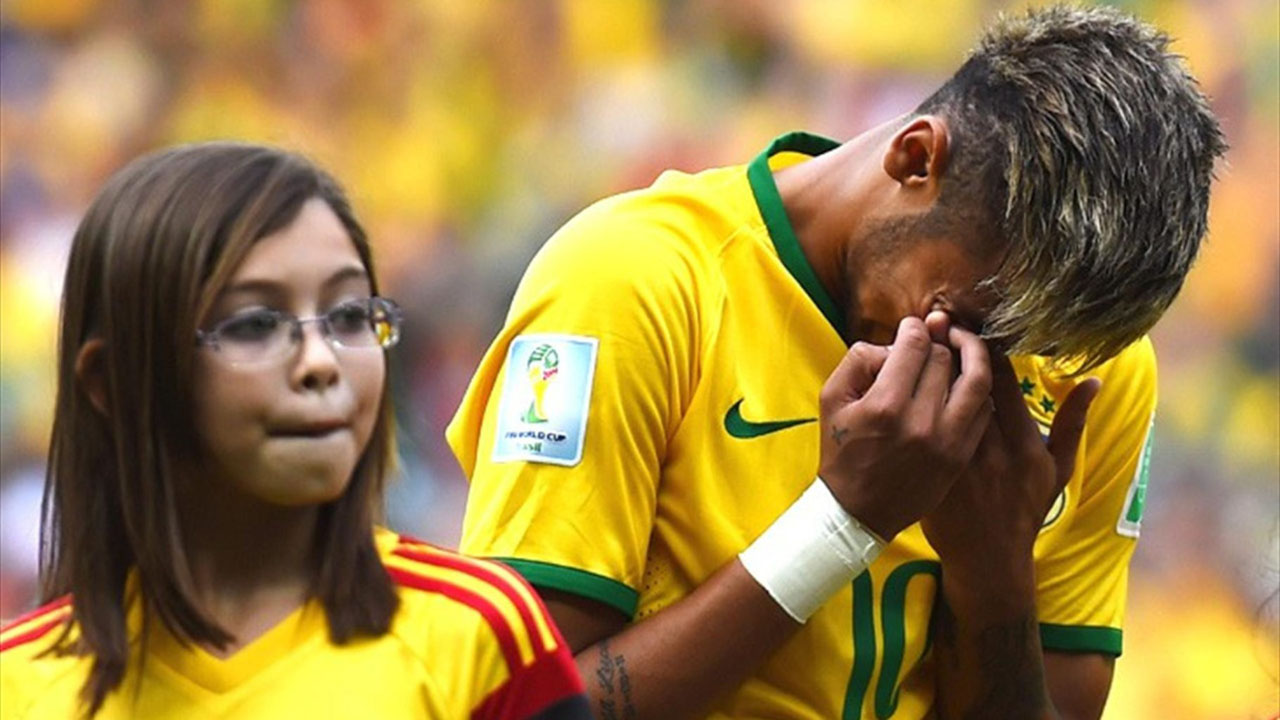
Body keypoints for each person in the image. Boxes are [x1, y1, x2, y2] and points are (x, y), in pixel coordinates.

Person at [447, 6, 1226, 720]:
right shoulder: (631, 283)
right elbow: (513, 708)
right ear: (916, 159)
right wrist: (842, 522)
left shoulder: (1093, 375)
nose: (990, 374)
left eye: (1034, 349)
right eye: (977, 321)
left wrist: (995, 582)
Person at [0, 143, 591, 720]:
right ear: (111, 380)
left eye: (351, 316)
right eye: (256, 323)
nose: (321, 361)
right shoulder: (18, 685)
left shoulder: (478, 634)